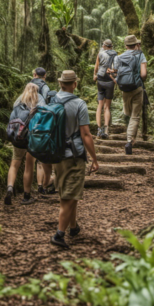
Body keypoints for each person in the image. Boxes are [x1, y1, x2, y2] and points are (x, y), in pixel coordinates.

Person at [50, 70, 100, 249]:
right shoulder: (79, 104)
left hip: (56, 154)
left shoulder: (51, 100)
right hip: (74, 155)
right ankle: (59, 234)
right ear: (75, 84)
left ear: (61, 83)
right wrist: (94, 158)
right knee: (68, 197)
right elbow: (85, 134)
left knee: (69, 191)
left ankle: (73, 227)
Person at [5, 82, 46, 205]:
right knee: (29, 166)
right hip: (31, 139)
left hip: (18, 138)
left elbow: (12, 120)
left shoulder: (18, 103)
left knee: (14, 163)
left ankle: (10, 188)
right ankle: (26, 196)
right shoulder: (39, 103)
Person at [108, 35, 147, 155]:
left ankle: (131, 138)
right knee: (135, 116)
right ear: (136, 44)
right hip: (137, 88)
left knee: (128, 114)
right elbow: (144, 74)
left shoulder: (118, 57)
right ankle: (129, 141)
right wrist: (138, 80)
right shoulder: (140, 55)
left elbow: (115, 74)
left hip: (124, 89)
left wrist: (119, 82)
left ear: (125, 45)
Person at [93, 39, 117, 139]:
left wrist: (94, 75)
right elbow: (116, 68)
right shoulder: (115, 54)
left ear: (105, 46)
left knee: (100, 106)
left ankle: (99, 129)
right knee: (107, 107)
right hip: (110, 80)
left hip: (100, 79)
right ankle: (106, 129)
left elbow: (96, 66)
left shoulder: (100, 54)